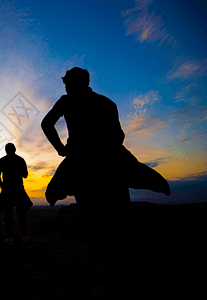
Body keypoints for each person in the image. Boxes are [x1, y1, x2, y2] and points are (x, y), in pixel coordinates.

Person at [41, 67, 170, 299]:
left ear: (72, 83)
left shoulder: (67, 101)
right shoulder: (107, 103)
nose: (66, 87)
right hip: (112, 167)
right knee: (121, 226)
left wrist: (62, 149)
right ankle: (125, 282)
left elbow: (46, 124)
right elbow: (118, 137)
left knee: (97, 229)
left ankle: (115, 286)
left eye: (67, 83)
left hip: (83, 168)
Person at [0, 143, 33, 244]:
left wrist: (3, 186)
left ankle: (10, 237)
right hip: (17, 189)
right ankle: (23, 236)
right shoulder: (20, 160)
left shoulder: (3, 160)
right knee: (20, 213)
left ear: (6, 150)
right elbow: (25, 175)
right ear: (15, 149)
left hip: (9, 190)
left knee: (9, 214)